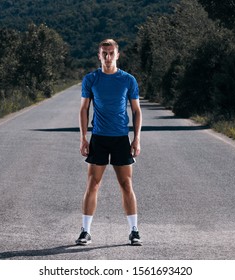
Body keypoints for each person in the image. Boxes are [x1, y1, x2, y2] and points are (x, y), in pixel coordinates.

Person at [76, 39, 142, 246]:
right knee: (93, 184)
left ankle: (134, 231)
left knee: (126, 184)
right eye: (104, 53)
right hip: (99, 138)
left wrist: (136, 138)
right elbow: (84, 109)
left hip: (121, 138)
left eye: (111, 53)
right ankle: (85, 231)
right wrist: (83, 137)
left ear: (117, 55)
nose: (107, 57)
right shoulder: (91, 79)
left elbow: (136, 110)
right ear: (99, 55)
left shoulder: (128, 80)